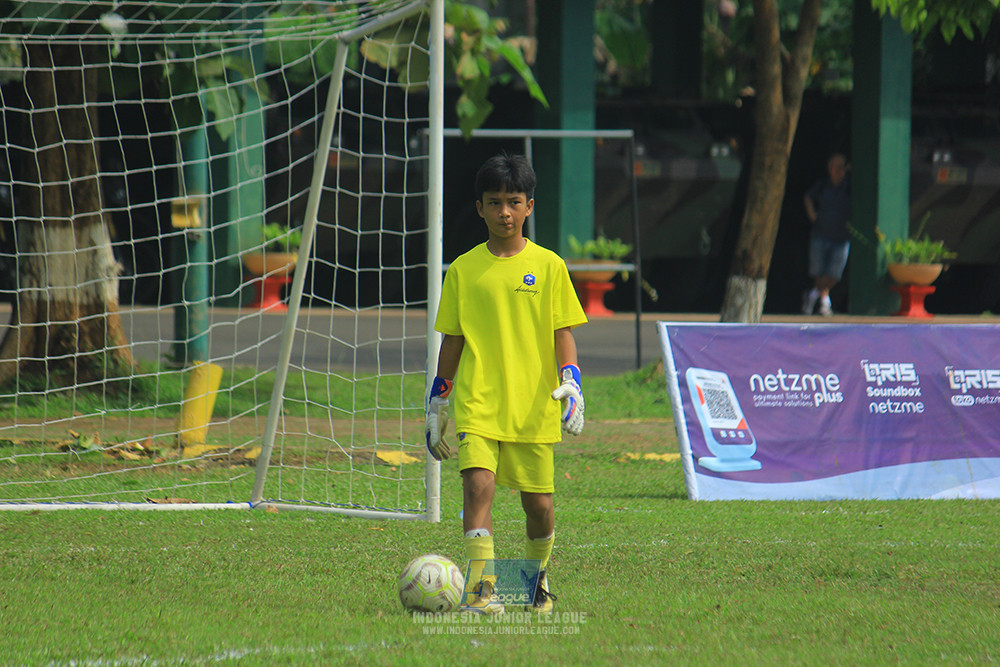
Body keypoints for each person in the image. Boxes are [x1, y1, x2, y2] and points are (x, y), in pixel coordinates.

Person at [424, 152, 588, 615]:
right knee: (478, 487)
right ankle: (483, 590)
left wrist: (572, 381)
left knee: (539, 507)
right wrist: (438, 401)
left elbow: (563, 333)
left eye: (514, 202)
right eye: (494, 202)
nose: (504, 212)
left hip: (533, 405)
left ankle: (534, 580)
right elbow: (453, 339)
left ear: (529, 206)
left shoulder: (549, 266)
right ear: (479, 208)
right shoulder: (463, 269)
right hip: (479, 403)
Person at [802, 153, 851, 316]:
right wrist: (812, 214)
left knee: (834, 275)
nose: (836, 170)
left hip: (841, 237)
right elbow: (808, 197)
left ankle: (812, 295)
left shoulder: (849, 186)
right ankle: (824, 302)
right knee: (819, 271)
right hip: (820, 234)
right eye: (833, 167)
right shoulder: (822, 185)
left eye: (840, 167)